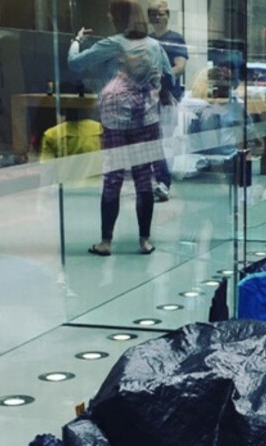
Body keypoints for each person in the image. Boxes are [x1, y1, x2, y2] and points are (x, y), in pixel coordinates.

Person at [69, 0, 172, 256]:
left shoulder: (112, 44)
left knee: (112, 179)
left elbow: (75, 63)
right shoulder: (155, 45)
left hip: (115, 121)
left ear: (118, 17)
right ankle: (144, 241)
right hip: (146, 120)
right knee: (143, 180)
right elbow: (169, 75)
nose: (107, 16)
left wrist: (76, 41)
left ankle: (105, 242)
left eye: (111, 13)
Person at [147, 0, 186, 202]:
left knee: (166, 140)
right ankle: (154, 179)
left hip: (168, 97)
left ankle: (164, 182)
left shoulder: (176, 39)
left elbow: (180, 66)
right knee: (151, 140)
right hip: (148, 98)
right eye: (154, 14)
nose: (158, 17)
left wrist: (163, 77)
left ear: (168, 15)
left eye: (161, 13)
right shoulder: (147, 39)